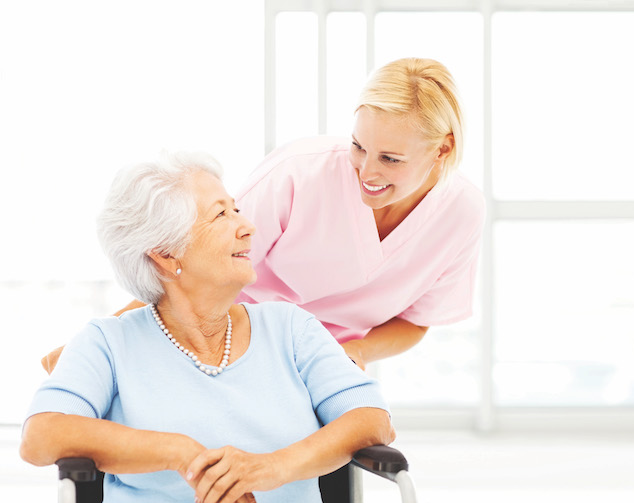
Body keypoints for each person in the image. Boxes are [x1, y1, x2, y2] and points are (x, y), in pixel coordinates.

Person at [20, 152, 395, 503]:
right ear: (166, 254)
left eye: (236, 210)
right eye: (221, 215)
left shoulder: (292, 329)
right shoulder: (109, 342)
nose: (247, 226)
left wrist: (271, 467)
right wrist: (179, 451)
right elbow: (42, 435)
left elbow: (371, 419)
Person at [41, 56, 485, 374]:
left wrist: (359, 352)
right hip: (229, 334)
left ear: (443, 147)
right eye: (358, 146)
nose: (366, 171)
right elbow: (197, 270)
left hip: (322, 362)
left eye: (390, 159)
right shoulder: (298, 173)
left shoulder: (461, 214)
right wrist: (95, 345)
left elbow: (414, 322)